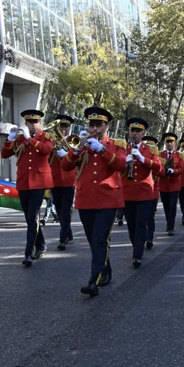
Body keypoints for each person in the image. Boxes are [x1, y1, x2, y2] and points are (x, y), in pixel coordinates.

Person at [61, 106, 127, 297]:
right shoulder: (82, 144)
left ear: (107, 126)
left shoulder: (117, 144)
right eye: (92, 125)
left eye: (99, 125)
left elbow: (121, 165)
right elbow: (65, 166)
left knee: (100, 239)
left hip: (108, 199)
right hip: (86, 198)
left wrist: (103, 150)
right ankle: (105, 270)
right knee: (93, 240)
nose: (95, 129)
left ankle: (94, 280)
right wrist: (77, 149)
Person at [1, 110, 54, 267]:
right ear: (26, 123)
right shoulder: (19, 138)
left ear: (40, 123)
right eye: (30, 122)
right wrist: (10, 139)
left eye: (36, 122)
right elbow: (4, 154)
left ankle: (28, 253)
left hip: (39, 182)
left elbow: (46, 150)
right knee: (30, 218)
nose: (33, 125)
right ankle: (41, 244)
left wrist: (29, 139)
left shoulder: (46, 137)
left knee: (32, 217)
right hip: (24, 181)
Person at [122, 118, 162, 268]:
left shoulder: (150, 150)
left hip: (145, 192)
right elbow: (117, 167)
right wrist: (124, 161)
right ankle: (136, 245)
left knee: (140, 223)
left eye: (138, 131)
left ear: (143, 133)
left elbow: (158, 167)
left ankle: (137, 254)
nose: (134, 134)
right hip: (128, 192)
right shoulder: (123, 148)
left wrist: (142, 158)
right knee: (131, 223)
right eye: (132, 131)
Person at [49, 115, 77, 250]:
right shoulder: (52, 140)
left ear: (70, 127)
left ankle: (62, 238)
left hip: (69, 179)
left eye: (66, 126)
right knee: (59, 208)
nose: (63, 129)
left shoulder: (74, 140)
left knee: (65, 209)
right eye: (61, 126)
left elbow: (78, 156)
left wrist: (66, 154)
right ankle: (68, 231)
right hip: (55, 179)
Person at [159, 132, 183, 236]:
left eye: (171, 142)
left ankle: (171, 227)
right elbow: (157, 167)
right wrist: (162, 171)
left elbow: (181, 168)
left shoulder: (179, 155)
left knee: (173, 206)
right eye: (167, 142)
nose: (169, 144)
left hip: (174, 184)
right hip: (164, 184)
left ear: (175, 143)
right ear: (165, 143)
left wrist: (174, 171)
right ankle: (168, 223)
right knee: (166, 206)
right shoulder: (160, 155)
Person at [142, 135, 161, 250]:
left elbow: (161, 172)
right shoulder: (141, 156)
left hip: (153, 191)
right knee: (141, 218)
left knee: (150, 216)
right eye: (148, 145)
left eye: (152, 145)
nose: (150, 147)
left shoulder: (158, 158)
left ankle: (149, 238)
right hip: (141, 191)